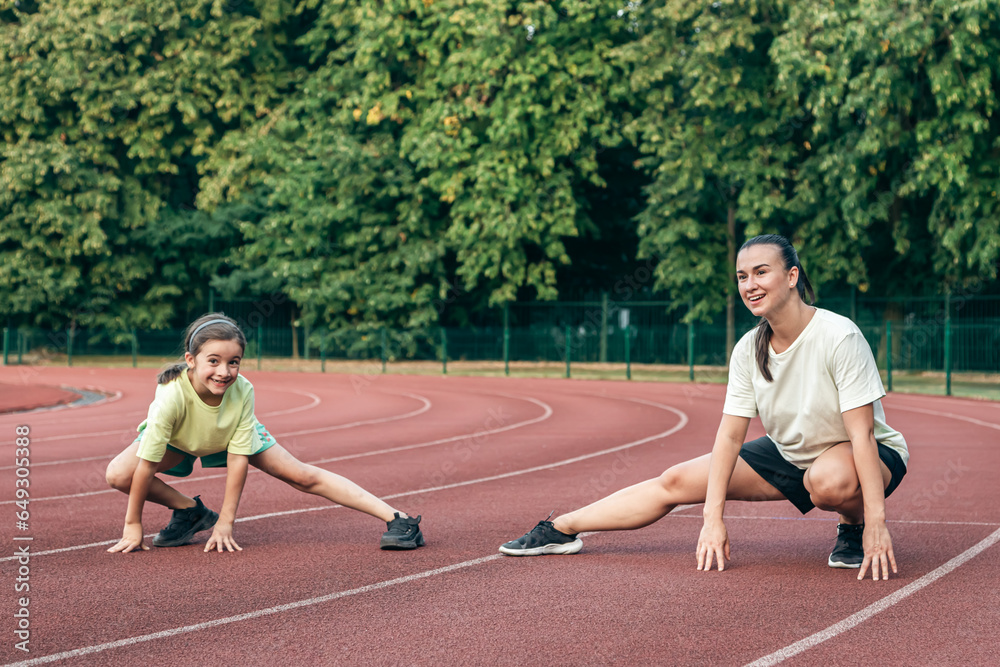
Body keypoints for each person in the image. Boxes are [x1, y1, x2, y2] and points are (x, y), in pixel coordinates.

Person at [499, 234, 908, 581]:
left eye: (761, 272)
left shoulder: (838, 336)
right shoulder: (749, 348)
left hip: (861, 455)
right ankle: (561, 528)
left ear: (792, 277)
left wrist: (877, 523)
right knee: (676, 480)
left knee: (827, 480)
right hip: (791, 452)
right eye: (742, 276)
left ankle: (852, 528)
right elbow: (731, 436)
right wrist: (713, 517)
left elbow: (862, 434)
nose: (750, 284)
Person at [106, 313, 424, 554]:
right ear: (191, 360)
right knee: (120, 474)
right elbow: (147, 463)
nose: (224, 372)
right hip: (180, 438)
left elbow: (238, 459)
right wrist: (133, 524)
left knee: (302, 476)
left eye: (234, 362)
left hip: (229, 435)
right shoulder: (171, 394)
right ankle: (190, 512)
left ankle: (399, 519)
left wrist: (227, 522)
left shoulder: (242, 390)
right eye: (213, 361)